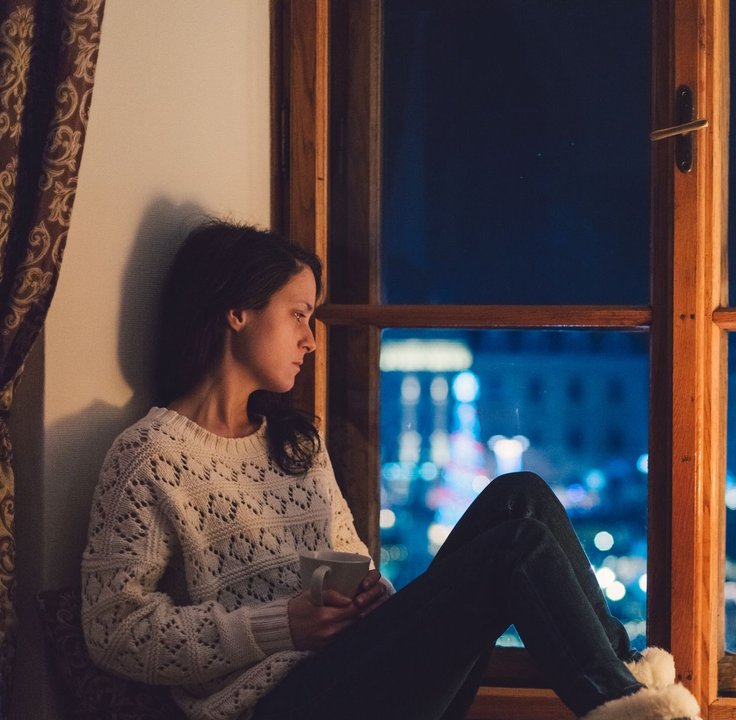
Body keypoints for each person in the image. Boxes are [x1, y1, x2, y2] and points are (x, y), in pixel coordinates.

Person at [81, 220, 700, 720]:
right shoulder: (150, 455)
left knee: (522, 496)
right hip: (273, 704)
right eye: (298, 314)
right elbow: (113, 631)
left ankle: (628, 685)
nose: (311, 339)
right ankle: (636, 712)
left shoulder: (295, 443)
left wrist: (370, 595)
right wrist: (278, 626)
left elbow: (347, 567)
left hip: (357, 678)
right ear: (237, 311)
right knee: (518, 549)